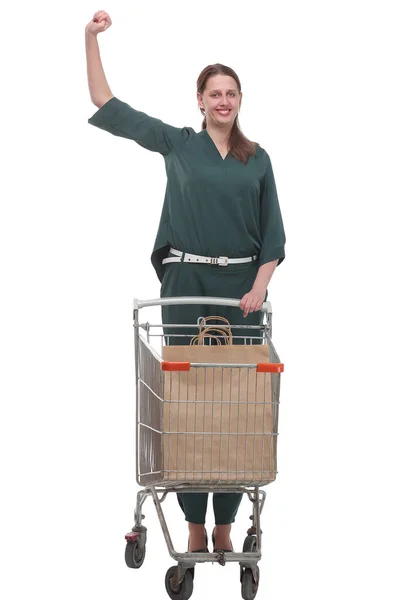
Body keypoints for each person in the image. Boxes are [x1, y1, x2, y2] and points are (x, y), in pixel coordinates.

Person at [85, 10, 286, 554]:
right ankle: (195, 522)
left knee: (233, 408)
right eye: (214, 93)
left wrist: (260, 286)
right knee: (190, 403)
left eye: (231, 93)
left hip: (242, 292)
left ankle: (226, 520)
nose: (223, 101)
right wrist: (90, 39)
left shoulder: (257, 159)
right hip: (185, 285)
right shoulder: (177, 143)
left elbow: (274, 237)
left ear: (239, 101)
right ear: (199, 100)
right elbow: (108, 104)